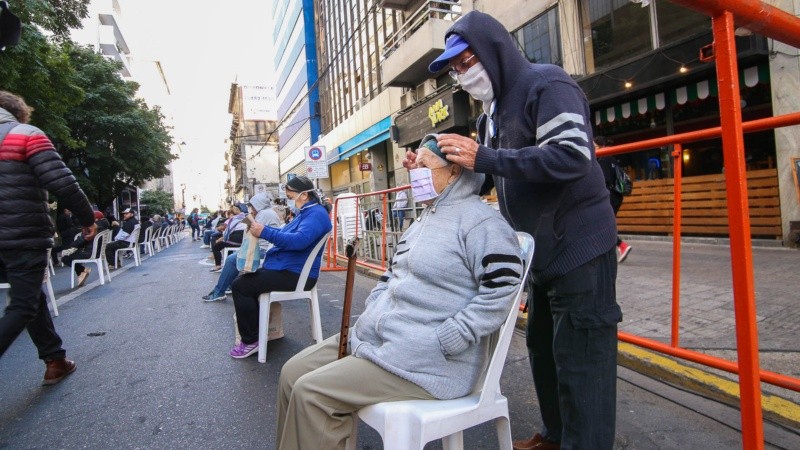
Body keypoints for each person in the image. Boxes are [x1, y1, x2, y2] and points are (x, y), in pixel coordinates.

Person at [420, 12, 622, 450]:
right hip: (540, 259)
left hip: (581, 247)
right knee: (545, 355)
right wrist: (437, 167)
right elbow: (488, 179)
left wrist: (486, 158)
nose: (461, 73)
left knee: (583, 362)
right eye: (454, 68)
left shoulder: (547, 85)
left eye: (465, 60)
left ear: (494, 50)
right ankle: (554, 437)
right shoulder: (488, 116)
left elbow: (571, 156)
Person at [275, 139, 524, 450]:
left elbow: (504, 287)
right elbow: (392, 274)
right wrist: (375, 310)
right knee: (290, 374)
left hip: (428, 359)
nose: (414, 173)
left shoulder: (481, 222)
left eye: (423, 166)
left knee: (312, 394)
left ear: (455, 172)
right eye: (414, 165)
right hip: (384, 339)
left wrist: (453, 335)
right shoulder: (424, 219)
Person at [0, 90, 97, 384]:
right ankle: (54, 359)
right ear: (18, 112)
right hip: (21, 235)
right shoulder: (25, 134)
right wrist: (87, 218)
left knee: (29, 296)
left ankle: (54, 360)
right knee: (22, 304)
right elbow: (63, 183)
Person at [229, 176, 331, 359]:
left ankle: (251, 340)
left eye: (291, 195)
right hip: (288, 270)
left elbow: (299, 241)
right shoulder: (307, 213)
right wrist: (261, 229)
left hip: (296, 275)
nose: (289, 199)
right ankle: (258, 334)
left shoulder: (315, 214)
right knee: (244, 281)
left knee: (240, 286)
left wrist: (265, 232)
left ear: (304, 195)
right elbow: (285, 234)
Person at [202, 192, 282, 302]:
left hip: (262, 249)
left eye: (253, 206)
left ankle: (219, 291)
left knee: (231, 259)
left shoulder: (263, 214)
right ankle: (228, 285)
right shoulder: (269, 212)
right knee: (234, 257)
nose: (252, 209)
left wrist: (250, 218)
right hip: (265, 247)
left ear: (258, 204)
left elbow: (251, 230)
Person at [596, 136, 632, 263]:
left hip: (609, 195)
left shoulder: (603, 160)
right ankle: (613, 249)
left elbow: (604, 180)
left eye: (594, 146)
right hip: (617, 195)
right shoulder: (612, 159)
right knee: (605, 223)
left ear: (600, 146)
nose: (593, 149)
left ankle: (621, 246)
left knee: (601, 224)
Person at [61, 211, 110, 287]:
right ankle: (82, 272)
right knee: (72, 255)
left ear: (95, 219)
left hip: (89, 252)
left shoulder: (93, 228)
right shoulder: (103, 226)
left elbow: (82, 240)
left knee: (65, 258)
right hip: (98, 252)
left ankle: (82, 270)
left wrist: (73, 245)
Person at [210, 205, 247, 272]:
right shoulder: (245, 218)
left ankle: (218, 266)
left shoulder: (233, 220)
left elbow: (227, 233)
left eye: (228, 215)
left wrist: (222, 239)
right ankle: (228, 262)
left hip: (235, 241)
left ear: (232, 214)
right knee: (226, 244)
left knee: (216, 246)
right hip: (244, 242)